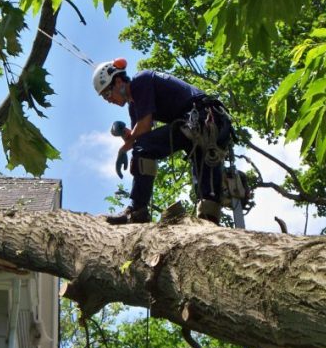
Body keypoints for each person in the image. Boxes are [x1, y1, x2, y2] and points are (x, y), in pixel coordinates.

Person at [94, 58, 233, 225]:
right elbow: (140, 136)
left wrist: (124, 149)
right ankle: (208, 222)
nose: (109, 100)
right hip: (198, 124)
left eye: (107, 94)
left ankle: (137, 210)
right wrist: (125, 134)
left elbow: (144, 128)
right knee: (205, 182)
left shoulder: (140, 81)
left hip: (203, 118)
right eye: (105, 99)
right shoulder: (134, 106)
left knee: (145, 148)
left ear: (118, 81)